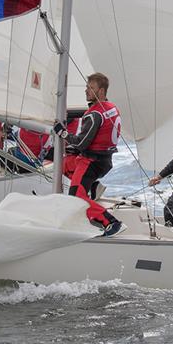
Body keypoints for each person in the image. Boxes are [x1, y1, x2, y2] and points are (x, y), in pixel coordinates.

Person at [53, 72, 123, 236]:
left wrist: (62, 133)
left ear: (101, 92)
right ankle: (92, 185)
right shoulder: (112, 107)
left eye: (90, 88)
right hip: (103, 160)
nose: (86, 91)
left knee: (75, 196)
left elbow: (80, 143)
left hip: (91, 162)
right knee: (60, 165)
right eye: (87, 87)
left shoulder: (94, 114)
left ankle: (110, 222)